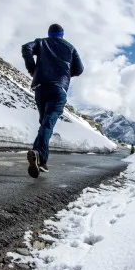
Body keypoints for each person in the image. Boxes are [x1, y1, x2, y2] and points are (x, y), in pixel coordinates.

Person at [22, 23, 84, 178]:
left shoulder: (41, 42)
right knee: (48, 123)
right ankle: (37, 152)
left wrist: (32, 68)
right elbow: (79, 69)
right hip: (58, 89)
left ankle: (42, 162)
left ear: (49, 34)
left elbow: (26, 48)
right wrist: (66, 74)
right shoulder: (70, 48)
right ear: (62, 35)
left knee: (45, 124)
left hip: (41, 88)